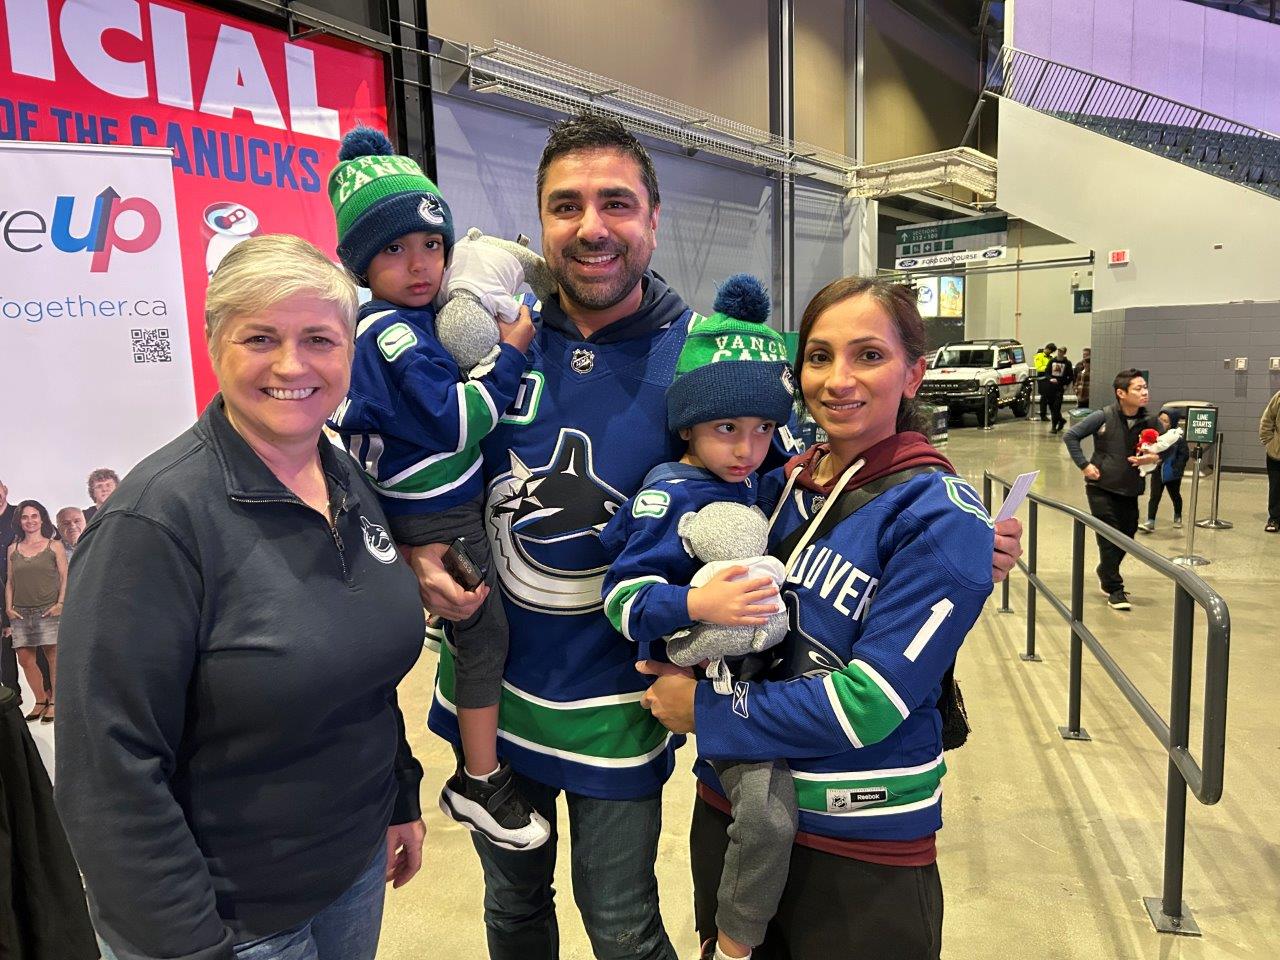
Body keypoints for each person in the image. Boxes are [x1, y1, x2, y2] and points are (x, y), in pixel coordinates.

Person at [413, 114, 1024, 960]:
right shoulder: (491, 334)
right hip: (491, 694)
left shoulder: (700, 356)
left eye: (616, 203)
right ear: (541, 219)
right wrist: (411, 548)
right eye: (566, 205)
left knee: (622, 924)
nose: (591, 227)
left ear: (653, 220)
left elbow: (787, 486)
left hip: (619, 705)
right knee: (512, 911)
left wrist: (945, 525)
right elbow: (409, 452)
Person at [55, 234, 429, 960]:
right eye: (261, 337)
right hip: (232, 921)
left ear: (348, 352)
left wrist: (398, 796)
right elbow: (109, 772)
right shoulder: (155, 522)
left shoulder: (344, 477)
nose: (292, 365)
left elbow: (364, 672)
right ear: (212, 341)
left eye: (319, 338)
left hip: (351, 873)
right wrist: (188, 947)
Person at [639, 277, 995, 959]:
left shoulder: (940, 515)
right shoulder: (773, 486)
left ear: (914, 372)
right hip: (735, 812)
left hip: (858, 844)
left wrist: (708, 712)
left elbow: (870, 703)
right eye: (820, 356)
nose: (837, 379)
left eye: (868, 356)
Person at [325, 127, 547, 850]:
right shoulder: (390, 332)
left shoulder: (403, 321)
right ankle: (478, 780)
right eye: (393, 250)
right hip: (439, 508)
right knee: (484, 633)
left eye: (430, 244)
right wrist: (510, 355)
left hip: (432, 509)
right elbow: (459, 423)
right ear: (361, 261)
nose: (419, 265)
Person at [600, 276, 796, 960]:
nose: (748, 446)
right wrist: (695, 605)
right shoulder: (669, 494)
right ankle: (733, 946)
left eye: (763, 429)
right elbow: (621, 599)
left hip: (772, 679)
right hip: (717, 685)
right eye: (727, 429)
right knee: (767, 818)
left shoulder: (758, 480)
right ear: (688, 426)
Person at [1062, 369, 1160, 610]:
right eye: (1138, 388)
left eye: (1145, 387)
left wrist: (1155, 458)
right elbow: (1071, 436)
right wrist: (1084, 465)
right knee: (1108, 537)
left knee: (1126, 538)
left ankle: (1105, 570)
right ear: (1121, 393)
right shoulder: (1103, 416)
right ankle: (1115, 589)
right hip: (1101, 488)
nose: (1144, 392)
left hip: (1131, 488)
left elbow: (1166, 448)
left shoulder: (1151, 421)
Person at [5, 499, 67, 723]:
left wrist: (60, 603)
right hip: (21, 612)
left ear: (42, 518)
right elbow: (10, 581)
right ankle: (40, 700)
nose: (30, 520)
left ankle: (55, 703)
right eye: (25, 516)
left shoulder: (54, 546)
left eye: (34, 516)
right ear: (19, 521)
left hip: (48, 609)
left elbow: (64, 577)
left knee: (53, 657)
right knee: (25, 659)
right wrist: (9, 609)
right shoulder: (13, 548)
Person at [1139, 410, 1188, 533]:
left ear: (1172, 424)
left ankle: (1177, 516)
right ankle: (1150, 521)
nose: (1162, 423)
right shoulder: (1155, 436)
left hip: (1172, 473)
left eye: (1165, 421)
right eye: (1160, 419)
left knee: (1175, 495)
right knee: (1154, 496)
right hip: (1157, 472)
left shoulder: (1177, 438)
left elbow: (1183, 455)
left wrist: (1177, 469)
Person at [0, 479, 18, 699]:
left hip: (19, 586)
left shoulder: (20, 514)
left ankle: (48, 695)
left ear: (5, 490)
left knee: (33, 645)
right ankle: (12, 695)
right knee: (4, 646)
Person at [1261, 389, 1280, 533]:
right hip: (1276, 453)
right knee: (1276, 487)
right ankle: (1274, 518)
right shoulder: (1279, 397)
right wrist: (1269, 442)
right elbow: (1267, 419)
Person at [1043, 345, 1073, 433]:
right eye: (1059, 351)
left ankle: (1053, 427)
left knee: (1056, 407)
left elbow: (1070, 376)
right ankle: (1061, 420)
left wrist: (1066, 384)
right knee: (1052, 407)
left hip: (1060, 388)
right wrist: (1050, 379)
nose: (1060, 353)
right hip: (1051, 387)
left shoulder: (1067, 363)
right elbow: (1047, 372)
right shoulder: (1052, 361)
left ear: (1064, 353)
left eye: (1062, 352)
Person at [1035, 342, 1056, 421]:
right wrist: (1049, 367)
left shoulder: (1051, 357)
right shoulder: (1039, 356)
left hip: (1050, 378)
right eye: (1050, 351)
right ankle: (1043, 415)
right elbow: (1039, 368)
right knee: (1044, 397)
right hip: (1042, 378)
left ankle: (1051, 413)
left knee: (1051, 397)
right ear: (1047, 348)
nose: (1050, 353)